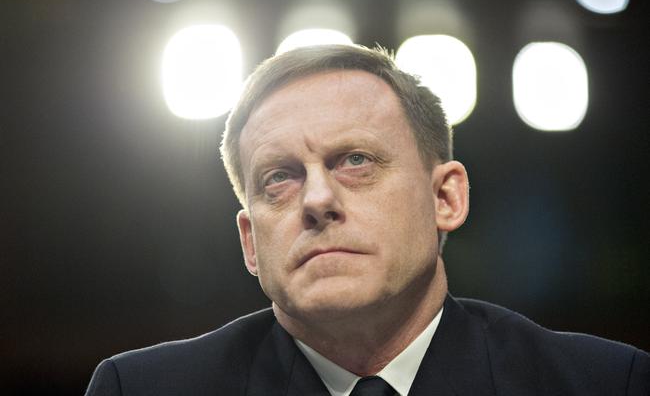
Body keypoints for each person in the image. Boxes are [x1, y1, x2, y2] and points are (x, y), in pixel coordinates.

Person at [86, 44, 649, 395]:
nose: (316, 200)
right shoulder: (139, 389)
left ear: (445, 199)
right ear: (250, 242)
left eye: (355, 160)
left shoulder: (603, 383)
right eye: (279, 177)